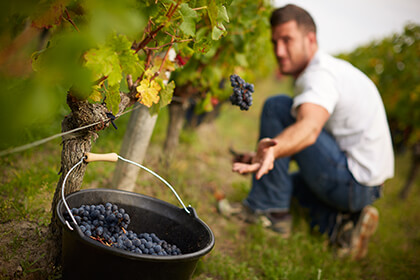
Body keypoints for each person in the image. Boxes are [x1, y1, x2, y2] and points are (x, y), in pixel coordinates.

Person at [219, 4, 394, 260]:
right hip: (365, 184)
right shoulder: (331, 70)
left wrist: (274, 150)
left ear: (310, 39)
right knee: (287, 188)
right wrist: (263, 157)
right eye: (275, 42)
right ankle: (342, 226)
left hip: (351, 181)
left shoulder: (319, 75)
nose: (279, 51)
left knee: (277, 107)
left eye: (287, 40)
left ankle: (269, 212)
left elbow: (309, 128)